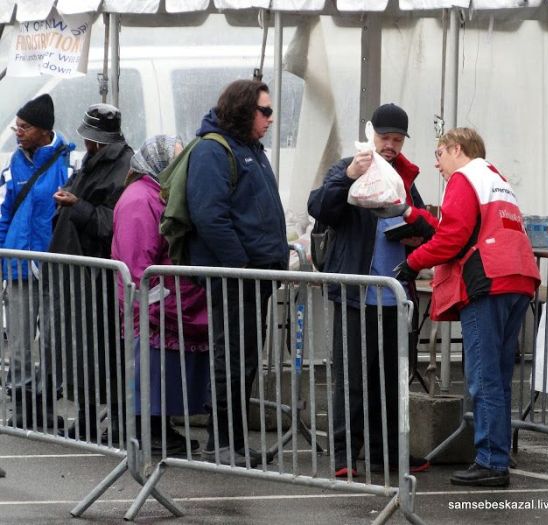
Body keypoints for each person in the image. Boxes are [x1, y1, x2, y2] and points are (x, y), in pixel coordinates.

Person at [394, 127, 541, 487]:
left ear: (457, 149)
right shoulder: (494, 177)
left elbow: (453, 237)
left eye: (440, 153)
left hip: (487, 281)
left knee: (483, 376)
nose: (436, 163)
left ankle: (490, 461)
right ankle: (497, 456)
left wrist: (413, 262)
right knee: (500, 376)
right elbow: (465, 228)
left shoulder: (463, 178)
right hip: (519, 279)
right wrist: (415, 216)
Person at [307, 103, 437, 477]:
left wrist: (417, 237)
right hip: (356, 292)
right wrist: (349, 176)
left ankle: (385, 453)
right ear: (372, 135)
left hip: (395, 293)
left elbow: (424, 223)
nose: (391, 145)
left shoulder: (405, 179)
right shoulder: (351, 166)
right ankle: (345, 454)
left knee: (392, 380)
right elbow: (320, 207)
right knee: (351, 378)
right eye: (385, 138)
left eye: (397, 139)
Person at [186, 80, 288, 467]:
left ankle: (235, 444)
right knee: (231, 360)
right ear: (245, 110)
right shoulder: (214, 150)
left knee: (244, 361)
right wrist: (242, 266)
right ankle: (221, 443)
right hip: (235, 277)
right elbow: (209, 216)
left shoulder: (250, 149)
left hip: (252, 277)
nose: (270, 118)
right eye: (265, 111)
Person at [112, 134, 209, 456]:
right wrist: (157, 302)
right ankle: (151, 430)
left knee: (159, 374)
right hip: (155, 305)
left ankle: (158, 427)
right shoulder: (141, 199)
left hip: (163, 301)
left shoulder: (155, 193)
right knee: (150, 372)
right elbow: (135, 260)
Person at [45, 103, 133, 441]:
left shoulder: (121, 167)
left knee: (102, 352)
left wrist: (75, 205)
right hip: (75, 270)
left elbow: (112, 223)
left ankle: (116, 422)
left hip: (97, 276)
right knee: (78, 350)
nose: (87, 144)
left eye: (90, 139)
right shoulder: (92, 163)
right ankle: (85, 418)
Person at [0, 94, 74, 428]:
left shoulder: (68, 164)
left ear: (44, 130)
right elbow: (3, 213)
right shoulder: (12, 164)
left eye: (25, 127)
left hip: (53, 265)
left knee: (54, 340)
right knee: (18, 341)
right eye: (17, 126)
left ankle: (44, 404)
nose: (18, 132)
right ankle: (21, 403)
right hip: (17, 264)